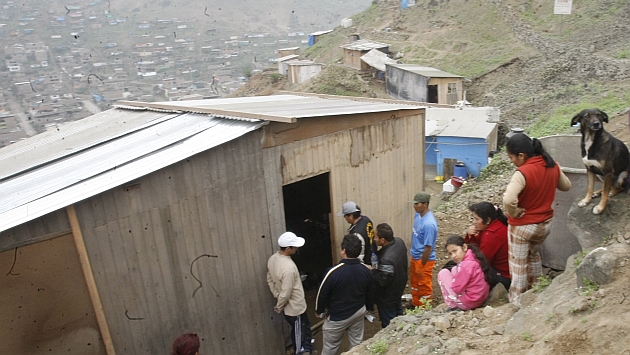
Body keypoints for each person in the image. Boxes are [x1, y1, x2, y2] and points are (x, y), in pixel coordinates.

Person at [503, 133, 571, 305]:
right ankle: (536, 293)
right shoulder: (551, 164)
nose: (511, 161)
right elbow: (566, 186)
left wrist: (514, 212)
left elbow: (508, 199)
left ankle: (516, 302)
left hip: (523, 226)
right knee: (533, 257)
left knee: (518, 266)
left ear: (521, 155)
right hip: (544, 225)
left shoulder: (523, 172)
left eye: (511, 157)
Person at [315, 234, 374, 355]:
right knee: (357, 345)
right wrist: (368, 308)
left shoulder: (333, 272)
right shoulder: (366, 270)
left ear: (344, 251)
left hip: (337, 317)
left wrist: (319, 311)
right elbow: (370, 292)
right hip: (358, 312)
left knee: (330, 347)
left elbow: (322, 294)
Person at [267, 232, 315, 355]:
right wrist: (280, 304)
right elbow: (286, 292)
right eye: (295, 247)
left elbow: (269, 278)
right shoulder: (288, 267)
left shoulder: (273, 259)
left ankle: (308, 348)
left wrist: (276, 295)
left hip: (293, 306)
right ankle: (300, 351)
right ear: (288, 249)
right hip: (294, 308)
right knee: (299, 332)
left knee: (304, 326)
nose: (297, 248)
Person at [437, 236, 492, 311]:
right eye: (450, 253)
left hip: (469, 302)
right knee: (454, 269)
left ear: (464, 247)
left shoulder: (465, 265)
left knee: (443, 273)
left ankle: (452, 305)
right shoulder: (474, 256)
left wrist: (455, 281)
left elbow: (457, 289)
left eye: (455, 251)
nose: (453, 256)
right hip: (479, 298)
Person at [465, 202, 511, 290]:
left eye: (476, 219)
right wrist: (471, 236)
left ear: (488, 220)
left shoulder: (492, 235)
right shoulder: (495, 225)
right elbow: (479, 244)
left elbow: (482, 261)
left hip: (503, 275)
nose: (474, 222)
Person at [372, 223, 408, 328]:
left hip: (387, 297)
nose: (374, 239)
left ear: (383, 240)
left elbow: (382, 280)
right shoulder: (399, 242)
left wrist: (372, 271)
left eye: (376, 237)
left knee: (389, 323)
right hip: (398, 288)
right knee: (398, 313)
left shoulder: (386, 260)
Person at [409, 192, 438, 307]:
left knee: (424, 286)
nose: (414, 206)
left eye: (417, 204)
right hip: (415, 256)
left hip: (424, 259)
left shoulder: (429, 224)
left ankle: (425, 308)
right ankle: (416, 303)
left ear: (425, 204)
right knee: (415, 283)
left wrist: (422, 263)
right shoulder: (418, 215)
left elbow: (428, 248)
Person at [338, 201, 375, 265]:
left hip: (366, 263)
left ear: (351, 216)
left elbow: (359, 257)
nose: (344, 217)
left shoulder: (357, 234)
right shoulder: (366, 219)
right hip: (372, 256)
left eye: (345, 215)